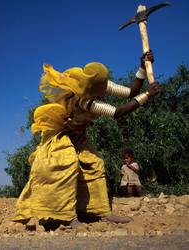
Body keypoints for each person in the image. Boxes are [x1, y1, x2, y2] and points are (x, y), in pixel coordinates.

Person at [13, 51, 161, 227]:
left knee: (95, 163)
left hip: (79, 133)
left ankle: (98, 211)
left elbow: (131, 91)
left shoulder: (100, 85)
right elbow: (118, 112)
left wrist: (142, 69)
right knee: (67, 165)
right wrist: (147, 96)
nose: (105, 92)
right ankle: (66, 216)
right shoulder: (85, 100)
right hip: (62, 134)